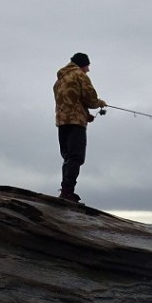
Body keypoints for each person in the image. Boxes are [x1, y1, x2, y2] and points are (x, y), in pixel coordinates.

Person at [53, 52, 106, 202]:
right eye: (87, 66)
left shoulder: (59, 80)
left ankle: (65, 190)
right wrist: (100, 103)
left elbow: (72, 101)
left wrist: (86, 114)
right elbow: (90, 99)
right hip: (76, 123)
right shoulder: (79, 75)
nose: (88, 70)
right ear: (82, 64)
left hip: (62, 122)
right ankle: (67, 191)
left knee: (68, 157)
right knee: (76, 157)